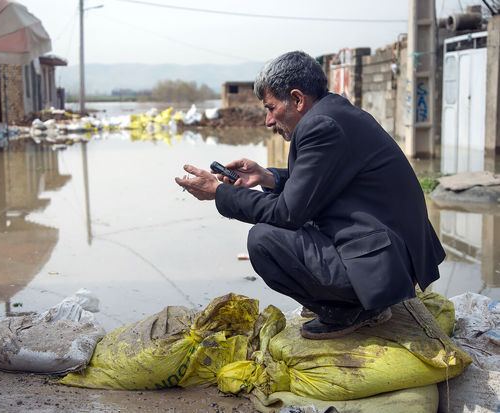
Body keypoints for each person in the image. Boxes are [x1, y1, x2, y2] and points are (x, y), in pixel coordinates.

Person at [175, 51, 445, 340]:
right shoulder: (332, 113)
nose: (268, 121)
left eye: (271, 107)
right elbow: (319, 179)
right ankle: (347, 299)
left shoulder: (320, 126)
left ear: (298, 99)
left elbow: (287, 213)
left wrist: (219, 192)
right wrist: (267, 176)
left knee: (264, 240)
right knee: (289, 227)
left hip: (384, 261)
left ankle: (353, 309)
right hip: (389, 251)